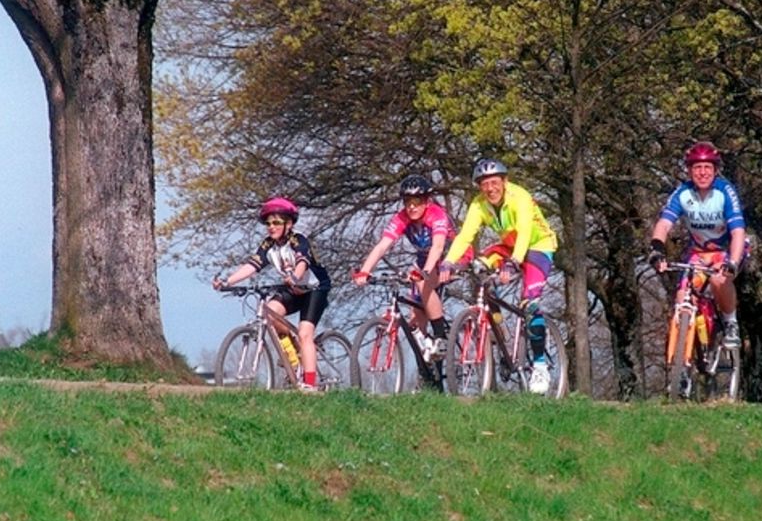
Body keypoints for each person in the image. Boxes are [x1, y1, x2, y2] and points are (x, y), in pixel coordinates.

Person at [438, 158, 558, 394]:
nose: (490, 188)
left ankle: (540, 365)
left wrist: (514, 263)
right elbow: (465, 236)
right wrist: (448, 262)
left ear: (505, 181)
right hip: (508, 246)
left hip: (538, 246)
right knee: (479, 269)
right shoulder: (479, 204)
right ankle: (499, 330)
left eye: (494, 182)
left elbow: (524, 233)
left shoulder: (519, 197)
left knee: (530, 304)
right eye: (484, 184)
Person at [213, 197, 331, 392]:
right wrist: (228, 282)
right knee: (270, 313)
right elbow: (252, 266)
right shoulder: (268, 245)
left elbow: (303, 262)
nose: (271, 227)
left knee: (305, 333)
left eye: (276, 222)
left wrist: (295, 276)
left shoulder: (298, 240)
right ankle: (294, 358)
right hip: (292, 288)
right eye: (268, 223)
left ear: (289, 223)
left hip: (314, 288)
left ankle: (310, 384)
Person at [648, 141, 747, 349]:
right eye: (697, 168)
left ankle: (730, 323)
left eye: (707, 168)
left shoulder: (724, 191)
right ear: (690, 170)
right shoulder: (682, 193)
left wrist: (733, 263)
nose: (702, 173)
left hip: (727, 250)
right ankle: (681, 365)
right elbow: (664, 224)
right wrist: (657, 250)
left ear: (715, 170)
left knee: (720, 280)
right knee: (682, 298)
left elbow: (738, 231)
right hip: (699, 253)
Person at [352, 175, 457, 359]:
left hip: (450, 256)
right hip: (426, 259)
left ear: (426, 200)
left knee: (423, 284)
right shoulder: (402, 217)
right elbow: (382, 245)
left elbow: (438, 246)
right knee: (415, 316)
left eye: (416, 201)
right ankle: (427, 366)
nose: (412, 207)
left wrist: (424, 272)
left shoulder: (436, 214)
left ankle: (441, 337)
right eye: (407, 202)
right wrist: (365, 271)